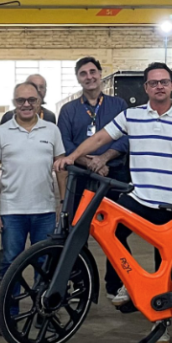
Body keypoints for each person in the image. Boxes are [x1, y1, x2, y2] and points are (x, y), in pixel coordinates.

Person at [54, 62, 172, 343]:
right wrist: (73, 156)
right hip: (138, 198)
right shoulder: (132, 115)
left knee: (163, 267)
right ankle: (126, 281)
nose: (159, 86)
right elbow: (101, 137)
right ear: (146, 87)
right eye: (153, 83)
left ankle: (161, 324)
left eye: (164, 82)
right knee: (109, 230)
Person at [0, 81, 67, 333]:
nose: (26, 104)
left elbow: (61, 169)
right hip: (12, 211)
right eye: (21, 100)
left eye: (31, 99)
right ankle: (9, 317)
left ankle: (44, 314)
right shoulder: (1, 133)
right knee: (11, 264)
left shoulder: (51, 130)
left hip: (44, 211)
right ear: (14, 103)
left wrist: (63, 204)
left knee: (45, 265)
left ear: (39, 101)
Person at [56, 56, 132, 305]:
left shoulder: (118, 104)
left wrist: (104, 158)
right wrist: (89, 163)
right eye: (83, 73)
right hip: (81, 178)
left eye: (92, 72)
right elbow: (65, 143)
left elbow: (126, 137)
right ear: (78, 78)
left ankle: (116, 285)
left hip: (113, 176)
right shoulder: (68, 110)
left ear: (100, 74)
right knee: (77, 233)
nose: (89, 77)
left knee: (116, 232)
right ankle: (80, 288)